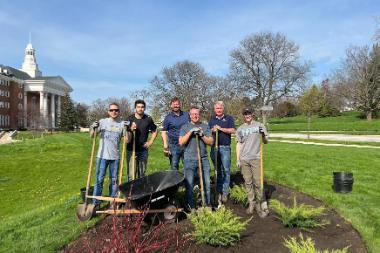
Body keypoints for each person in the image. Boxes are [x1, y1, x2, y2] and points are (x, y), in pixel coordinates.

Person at [90, 102, 130, 208]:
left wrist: (129, 130)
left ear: (119, 112)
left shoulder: (122, 124)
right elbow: (92, 135)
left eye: (116, 110)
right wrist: (93, 128)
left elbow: (127, 141)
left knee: (114, 180)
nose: (114, 112)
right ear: (108, 112)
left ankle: (113, 201)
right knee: (99, 179)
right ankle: (96, 203)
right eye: (112, 110)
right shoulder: (102, 122)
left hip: (115, 157)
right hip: (102, 156)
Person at [236, 108, 269, 217]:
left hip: (256, 158)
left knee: (258, 182)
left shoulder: (259, 125)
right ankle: (251, 203)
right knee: (248, 182)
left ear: (252, 114)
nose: (247, 115)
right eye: (245, 114)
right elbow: (238, 144)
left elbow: (265, 141)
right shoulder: (240, 128)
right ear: (243, 115)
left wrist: (263, 134)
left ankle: (260, 203)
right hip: (244, 159)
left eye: (249, 113)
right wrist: (238, 159)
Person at [179, 106, 213, 209]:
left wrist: (202, 135)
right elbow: (181, 142)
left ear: (200, 115)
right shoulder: (185, 127)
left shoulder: (205, 126)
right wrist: (190, 132)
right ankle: (191, 206)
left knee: (206, 183)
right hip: (189, 159)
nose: (195, 116)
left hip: (203, 159)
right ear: (190, 115)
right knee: (189, 184)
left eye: (197, 114)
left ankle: (207, 204)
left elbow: (211, 142)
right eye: (193, 114)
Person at [208, 101, 236, 204]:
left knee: (226, 170)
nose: (218, 110)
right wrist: (212, 129)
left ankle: (225, 191)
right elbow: (208, 132)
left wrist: (221, 129)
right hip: (214, 148)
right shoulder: (212, 120)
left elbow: (233, 130)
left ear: (223, 109)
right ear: (214, 110)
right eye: (217, 108)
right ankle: (218, 190)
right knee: (217, 170)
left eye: (220, 108)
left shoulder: (229, 118)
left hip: (225, 148)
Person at [127, 99, 158, 180]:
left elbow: (155, 130)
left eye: (142, 107)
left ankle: (141, 191)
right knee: (131, 174)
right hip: (131, 150)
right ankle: (131, 191)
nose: (140, 109)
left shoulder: (148, 119)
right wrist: (130, 129)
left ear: (145, 108)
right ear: (135, 108)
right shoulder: (130, 119)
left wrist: (150, 142)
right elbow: (126, 136)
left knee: (142, 174)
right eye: (138, 107)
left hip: (143, 150)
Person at [161, 97, 189, 170]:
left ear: (180, 105)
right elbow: (164, 131)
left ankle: (187, 181)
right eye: (174, 104)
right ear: (171, 105)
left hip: (186, 144)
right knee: (174, 166)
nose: (176, 106)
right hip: (173, 145)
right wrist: (165, 145)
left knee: (188, 165)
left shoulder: (186, 115)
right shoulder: (168, 118)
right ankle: (176, 181)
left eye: (177, 104)